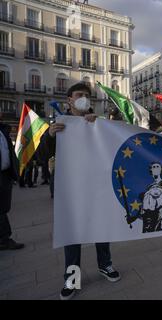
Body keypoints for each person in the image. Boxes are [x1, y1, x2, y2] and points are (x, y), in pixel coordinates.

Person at [41, 82, 121, 300]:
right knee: (72, 234)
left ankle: (105, 265)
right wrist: (49, 135)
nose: (84, 98)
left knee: (101, 228)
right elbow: (41, 155)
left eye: (87, 95)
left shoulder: (99, 123)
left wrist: (98, 126)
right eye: (79, 95)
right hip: (71, 191)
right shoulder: (59, 124)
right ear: (69, 100)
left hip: (97, 188)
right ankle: (72, 277)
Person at [0, 114, 25, 250]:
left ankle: (4, 238)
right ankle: (4, 239)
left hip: (5, 175)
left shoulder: (3, 132)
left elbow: (8, 152)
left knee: (3, 207)